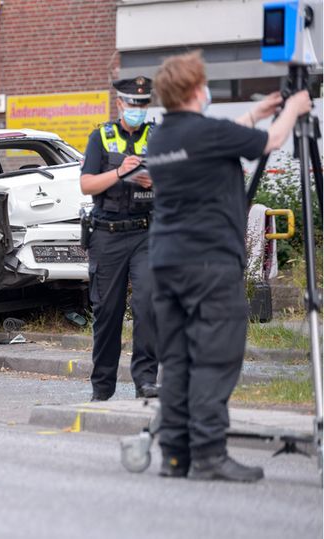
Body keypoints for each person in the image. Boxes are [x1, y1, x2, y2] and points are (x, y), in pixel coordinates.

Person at [145, 50, 311, 482]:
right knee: (215, 358)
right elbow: (271, 142)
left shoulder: (161, 139)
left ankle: (176, 456)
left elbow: (219, 138)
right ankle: (210, 454)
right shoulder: (206, 133)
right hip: (209, 265)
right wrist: (294, 108)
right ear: (197, 90)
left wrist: (257, 110)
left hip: (167, 263)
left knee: (178, 359)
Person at [80, 76, 159, 401]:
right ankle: (102, 389)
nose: (137, 109)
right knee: (108, 312)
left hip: (145, 233)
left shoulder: (157, 137)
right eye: (132, 103)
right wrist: (119, 173)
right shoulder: (101, 136)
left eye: (143, 104)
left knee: (148, 306)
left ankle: (146, 381)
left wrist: (152, 180)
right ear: (120, 104)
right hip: (107, 235)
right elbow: (86, 185)